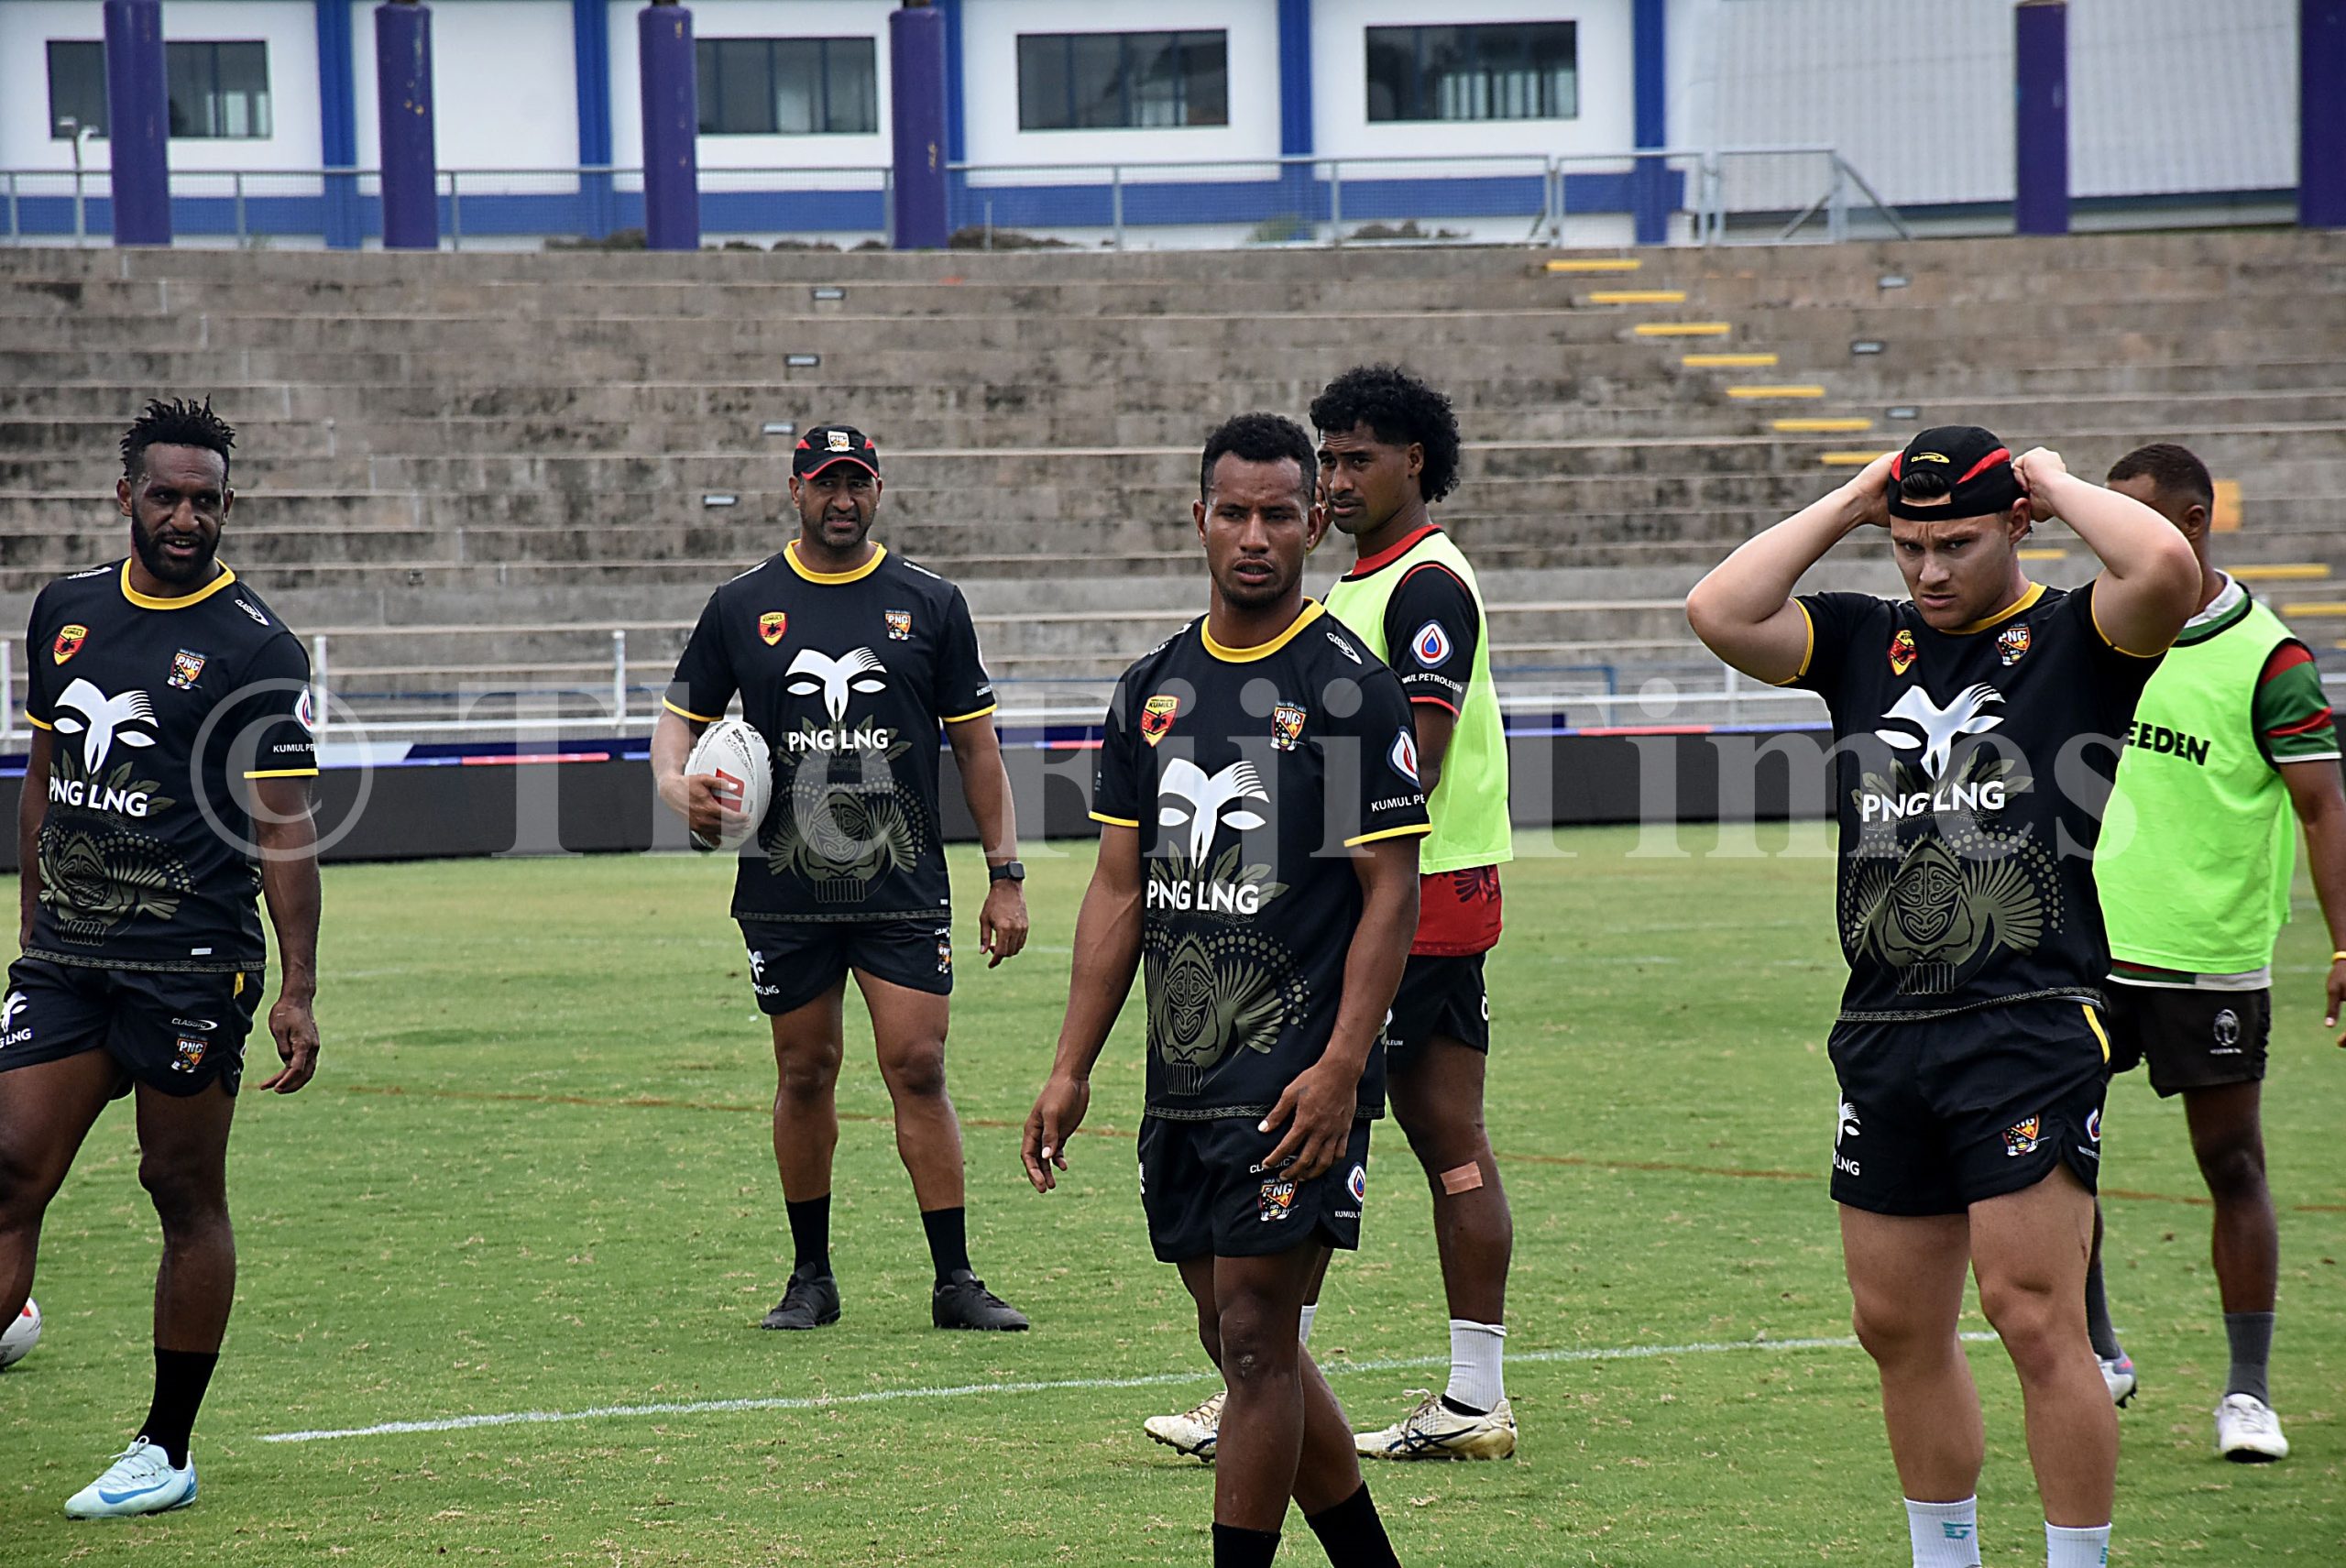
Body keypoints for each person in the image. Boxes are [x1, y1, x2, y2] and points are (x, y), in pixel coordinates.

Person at [1684, 426, 2198, 1568]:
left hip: (2027, 1018)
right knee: (1894, 1325)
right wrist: (1851, 501)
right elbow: (1718, 610)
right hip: (1881, 1025)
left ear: (2016, 526)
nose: (1927, 570)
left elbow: (2167, 565)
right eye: (1909, 545)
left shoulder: (2079, 634)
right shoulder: (1862, 638)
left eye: (1955, 543)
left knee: (2032, 1314)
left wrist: (2053, 480)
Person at [1025, 413, 1426, 1568]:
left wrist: (1342, 1065)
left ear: (1315, 521)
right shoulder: (1152, 687)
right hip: (1184, 1075)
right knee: (1236, 1338)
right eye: (1235, 513)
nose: (1256, 537)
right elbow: (1117, 889)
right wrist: (1070, 1066)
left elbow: (1389, 892)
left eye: (1279, 515)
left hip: (1297, 1074)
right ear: (1198, 518)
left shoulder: (1342, 687)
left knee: (1254, 1337)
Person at [1145, 366, 1516, 1464]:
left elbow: (1417, 761)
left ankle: (1260, 1380)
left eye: (1360, 459)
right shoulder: (1365, 581)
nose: (1339, 479)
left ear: (1416, 462)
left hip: (1410, 897)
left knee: (1308, 1115)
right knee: (1446, 1138)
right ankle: (1463, 1393)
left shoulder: (1424, 584)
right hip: (1413, 892)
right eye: (1332, 459)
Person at [0, 398, 323, 1518]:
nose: (185, 517)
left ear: (228, 507)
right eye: (166, 496)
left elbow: (283, 827)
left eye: (205, 500)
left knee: (179, 1188)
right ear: (124, 495)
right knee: (10, 1166)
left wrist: (298, 987)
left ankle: (165, 1448)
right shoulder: (66, 610)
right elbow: (45, 781)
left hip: (189, 962)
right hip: (65, 956)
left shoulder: (257, 646)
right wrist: (32, 922)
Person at [652, 425, 1030, 1332]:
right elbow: (677, 723)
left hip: (901, 883)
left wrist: (1006, 873)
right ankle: (810, 1278)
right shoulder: (742, 604)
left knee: (918, 1064)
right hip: (785, 888)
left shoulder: (930, 602)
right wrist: (674, 785)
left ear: (879, 490)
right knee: (804, 1069)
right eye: (826, 484)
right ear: (796, 490)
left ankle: (955, 1279)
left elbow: (978, 749)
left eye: (857, 483)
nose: (843, 500)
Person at [2082, 442, 2346, 1461]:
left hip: (2209, 953)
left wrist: (2344, 946)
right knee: (2053, 1155)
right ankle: (2098, 1348)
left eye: (2137, 517)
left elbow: (2321, 808)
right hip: (2082, 948)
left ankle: (2247, 1393)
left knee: (2232, 1163)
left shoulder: (2268, 658)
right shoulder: (2091, 628)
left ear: (2193, 523)